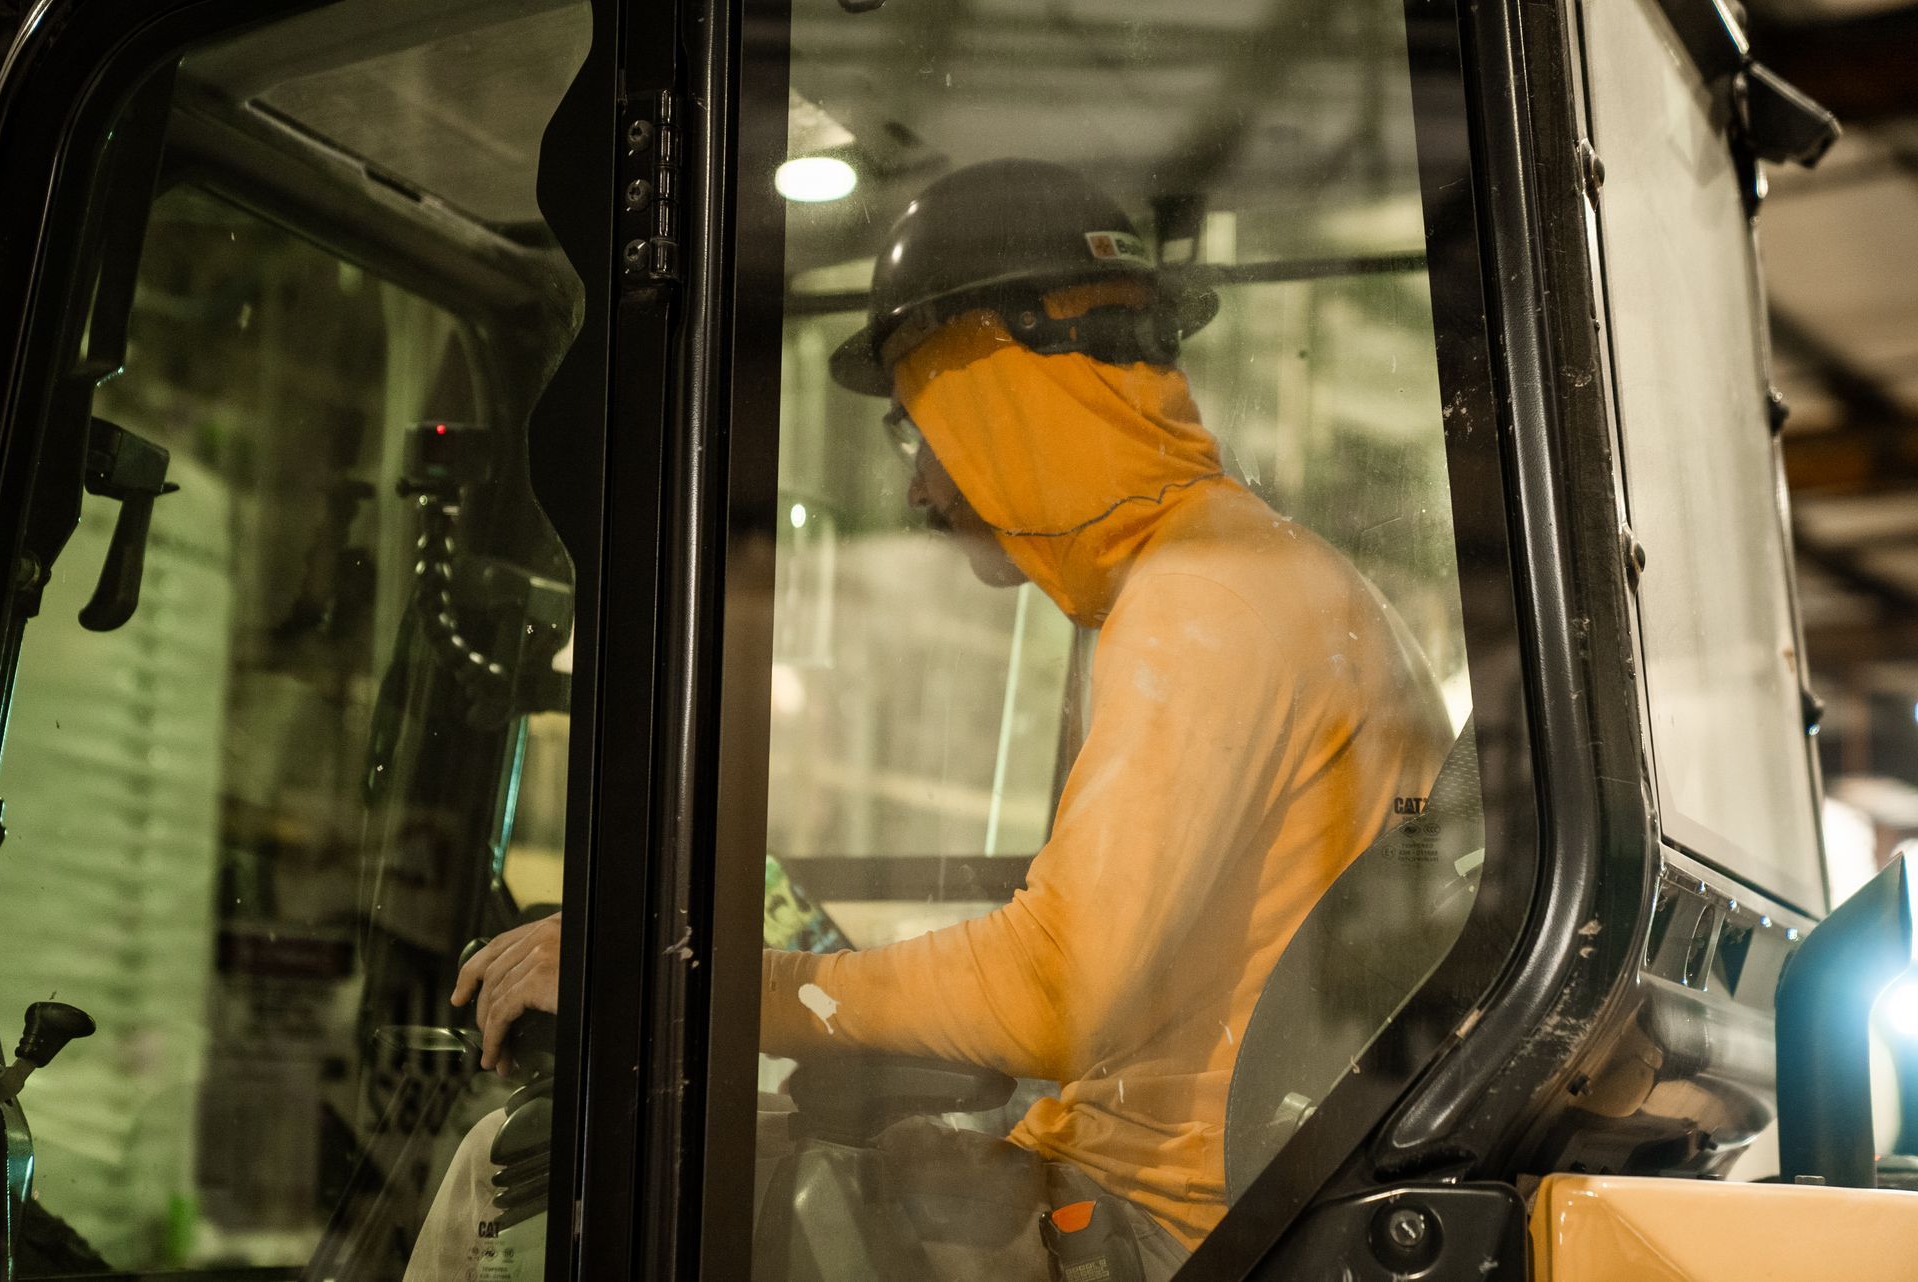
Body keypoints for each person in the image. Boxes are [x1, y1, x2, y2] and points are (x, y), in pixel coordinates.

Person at [449, 158, 1453, 1275]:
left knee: (524, 1173)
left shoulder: (1206, 598)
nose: (919, 488)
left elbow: (1056, 988)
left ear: (997, 394)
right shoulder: (1242, 576)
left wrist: (699, 985)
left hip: (1170, 1229)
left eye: (919, 422)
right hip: (1182, 1188)